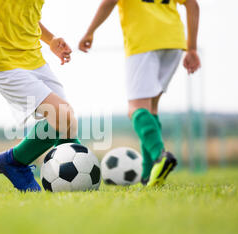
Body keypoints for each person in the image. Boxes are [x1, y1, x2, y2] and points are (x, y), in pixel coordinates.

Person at [0, 0, 81, 192]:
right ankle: (14, 162)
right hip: (5, 64)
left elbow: (25, 16)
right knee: (62, 115)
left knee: (68, 122)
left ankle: (72, 178)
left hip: (35, 61)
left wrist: (51, 40)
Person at [79, 0, 201, 187]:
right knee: (151, 109)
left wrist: (89, 32)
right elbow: (193, 5)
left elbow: (109, 2)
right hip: (174, 42)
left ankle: (160, 156)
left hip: (143, 42)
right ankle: (148, 174)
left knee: (135, 109)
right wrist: (191, 48)